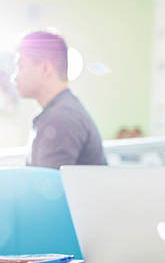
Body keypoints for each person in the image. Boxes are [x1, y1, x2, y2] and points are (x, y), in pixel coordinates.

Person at [14, 31, 106, 169]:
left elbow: (45, 188)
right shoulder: (58, 111)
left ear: (45, 68)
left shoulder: (61, 118)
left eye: (20, 67)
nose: (15, 77)